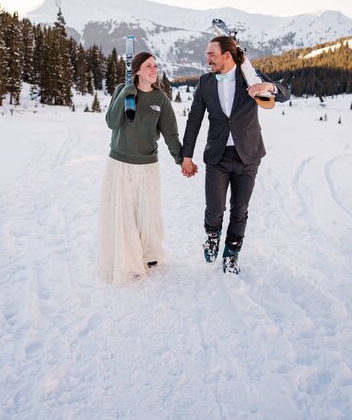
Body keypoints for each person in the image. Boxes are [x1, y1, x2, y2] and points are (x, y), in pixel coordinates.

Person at [181, 36, 290, 274]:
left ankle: (231, 254)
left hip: (248, 155)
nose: (207, 59)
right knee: (214, 209)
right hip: (217, 157)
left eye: (212, 54)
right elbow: (194, 121)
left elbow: (284, 94)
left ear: (226, 56)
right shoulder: (205, 82)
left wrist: (268, 87)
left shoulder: (250, 76)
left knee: (239, 210)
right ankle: (212, 236)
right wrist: (186, 156)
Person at [98, 51, 188, 285]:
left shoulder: (160, 99)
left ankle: (149, 255)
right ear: (136, 70)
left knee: (148, 214)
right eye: (148, 65)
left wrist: (182, 160)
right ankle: (128, 261)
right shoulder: (123, 90)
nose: (153, 69)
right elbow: (111, 122)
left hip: (148, 165)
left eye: (155, 65)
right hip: (120, 163)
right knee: (124, 213)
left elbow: (171, 134)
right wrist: (126, 94)